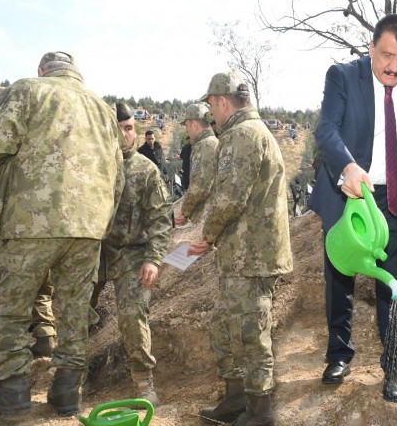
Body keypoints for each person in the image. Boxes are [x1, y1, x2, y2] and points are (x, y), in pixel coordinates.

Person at [0, 51, 124, 417]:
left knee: (3, 304)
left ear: (42, 71)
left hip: (33, 219)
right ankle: (67, 391)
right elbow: (118, 173)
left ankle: (10, 389)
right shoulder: (104, 110)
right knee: (74, 310)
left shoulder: (29, 90)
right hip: (89, 226)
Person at [308, 14, 397, 403]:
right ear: (371, 47)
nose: (395, 67)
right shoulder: (343, 77)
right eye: (387, 55)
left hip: (394, 197)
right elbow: (326, 130)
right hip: (350, 194)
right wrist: (346, 166)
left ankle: (395, 366)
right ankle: (339, 354)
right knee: (340, 277)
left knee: (393, 283)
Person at [193, 71, 292, 426]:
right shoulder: (248, 132)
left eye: (211, 106)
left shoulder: (242, 135)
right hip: (241, 254)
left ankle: (259, 412)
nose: (210, 115)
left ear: (221, 101)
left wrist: (207, 235)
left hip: (252, 256)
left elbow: (230, 198)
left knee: (251, 334)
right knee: (225, 325)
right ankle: (236, 401)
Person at [93, 102, 171, 405]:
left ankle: (143, 382)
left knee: (130, 313)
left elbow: (161, 219)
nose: (128, 134)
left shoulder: (145, 169)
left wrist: (153, 258)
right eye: (122, 128)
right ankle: (70, 376)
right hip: (95, 252)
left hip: (133, 253)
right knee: (77, 312)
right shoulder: (94, 165)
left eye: (130, 128)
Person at [174, 103, 218, 226]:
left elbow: (199, 187)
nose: (186, 129)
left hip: (205, 216)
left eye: (186, 125)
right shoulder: (210, 142)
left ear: (194, 124)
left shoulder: (204, 146)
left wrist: (183, 213)